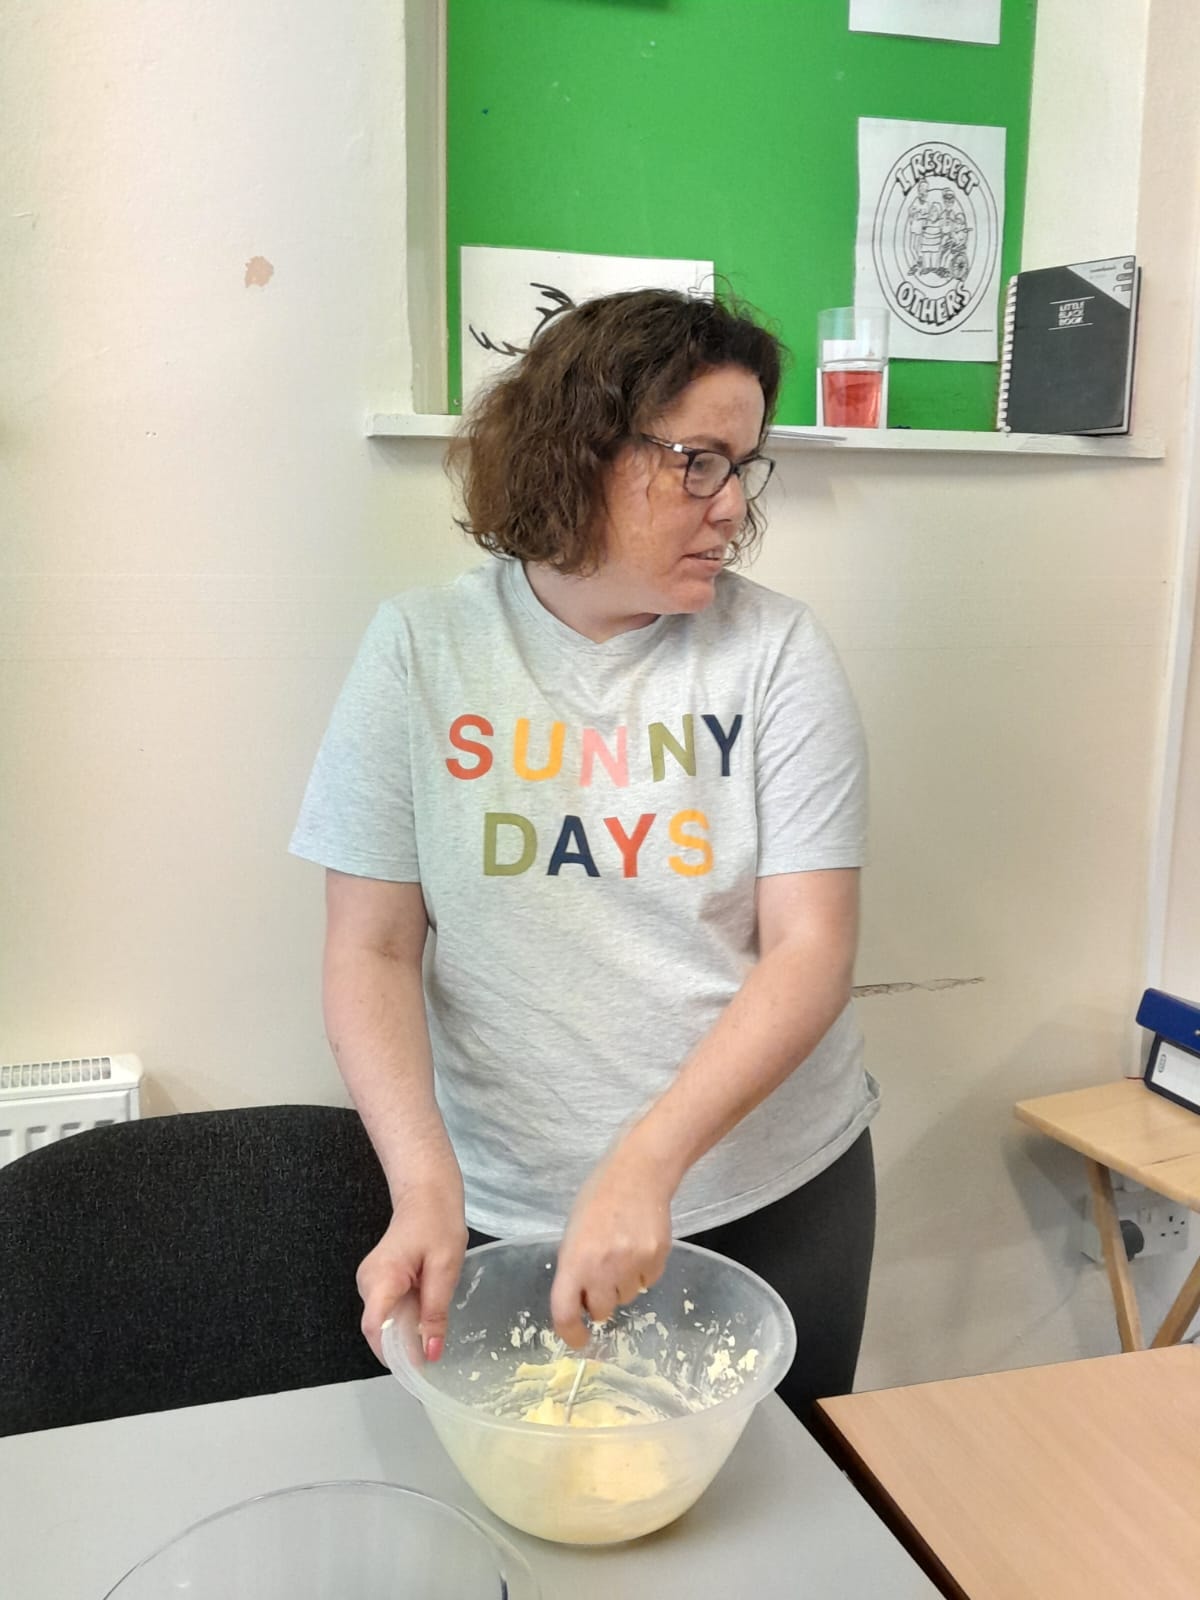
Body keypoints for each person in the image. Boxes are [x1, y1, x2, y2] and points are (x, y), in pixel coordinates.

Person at [290, 288, 879, 1425]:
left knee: (789, 1497)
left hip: (768, 1190)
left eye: (743, 468)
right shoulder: (421, 650)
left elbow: (810, 951)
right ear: (579, 452)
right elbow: (371, 948)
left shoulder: (776, 654)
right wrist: (423, 1183)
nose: (732, 510)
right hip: (503, 1200)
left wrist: (649, 1161)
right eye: (698, 463)